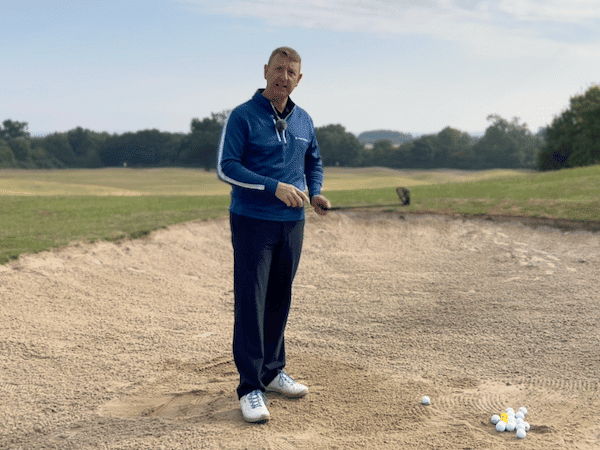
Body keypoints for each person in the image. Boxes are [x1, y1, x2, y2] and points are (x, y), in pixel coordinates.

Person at [217, 46, 331, 423]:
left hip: (293, 223)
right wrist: (273, 186)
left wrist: (314, 191)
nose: (284, 76)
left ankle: (271, 372)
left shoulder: (304, 120)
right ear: (266, 71)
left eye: (291, 72)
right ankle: (250, 387)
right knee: (252, 299)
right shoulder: (243, 116)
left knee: (280, 297)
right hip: (252, 220)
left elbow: (312, 160)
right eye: (278, 69)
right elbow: (226, 167)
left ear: (300, 79)